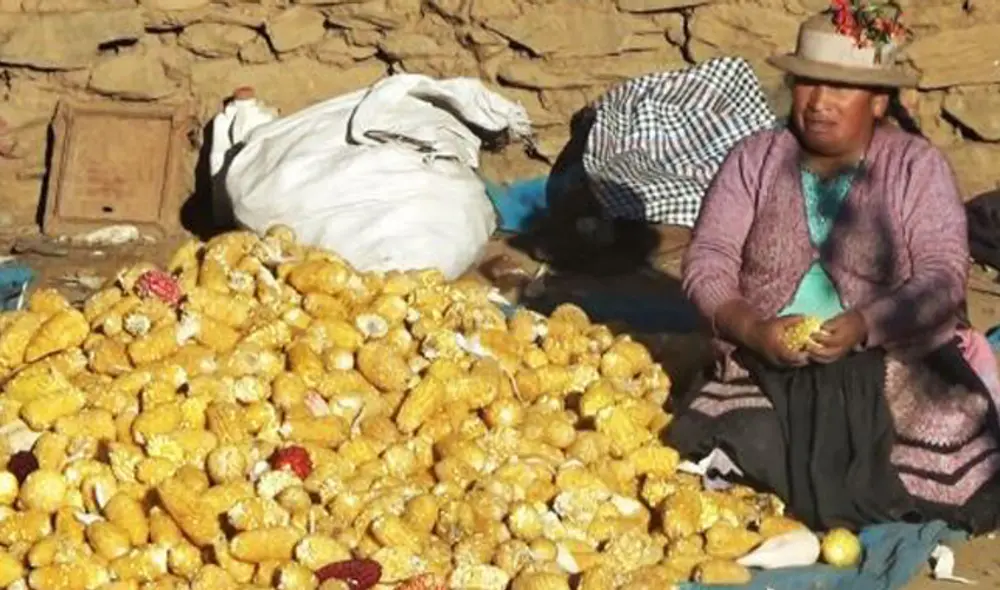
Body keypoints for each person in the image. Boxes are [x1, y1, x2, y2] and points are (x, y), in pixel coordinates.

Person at [666, 1, 1000, 534]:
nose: (819, 103)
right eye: (807, 85)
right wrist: (751, 327)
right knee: (745, 434)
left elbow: (941, 275)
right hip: (768, 362)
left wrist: (867, 325)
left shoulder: (916, 167)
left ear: (878, 101)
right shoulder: (754, 159)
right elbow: (708, 259)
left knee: (952, 427)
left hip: (893, 363)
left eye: (840, 88)